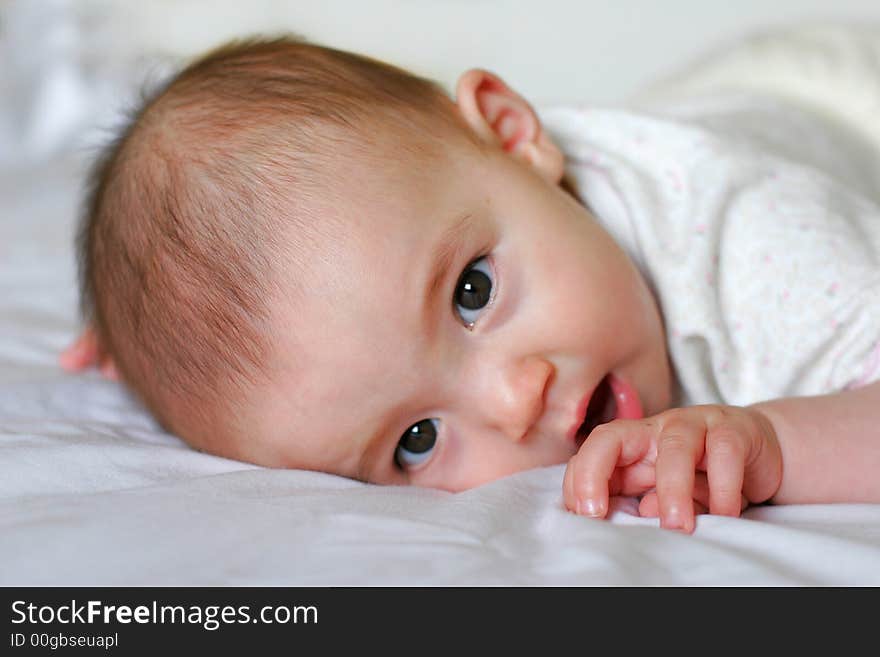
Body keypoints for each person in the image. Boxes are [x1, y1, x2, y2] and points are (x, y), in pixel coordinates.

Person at [60, 34, 880, 534]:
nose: (516, 401)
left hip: (836, 91)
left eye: (472, 294)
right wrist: (160, 337)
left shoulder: (756, 242)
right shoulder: (468, 202)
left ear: (515, 134)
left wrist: (772, 442)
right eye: (416, 439)